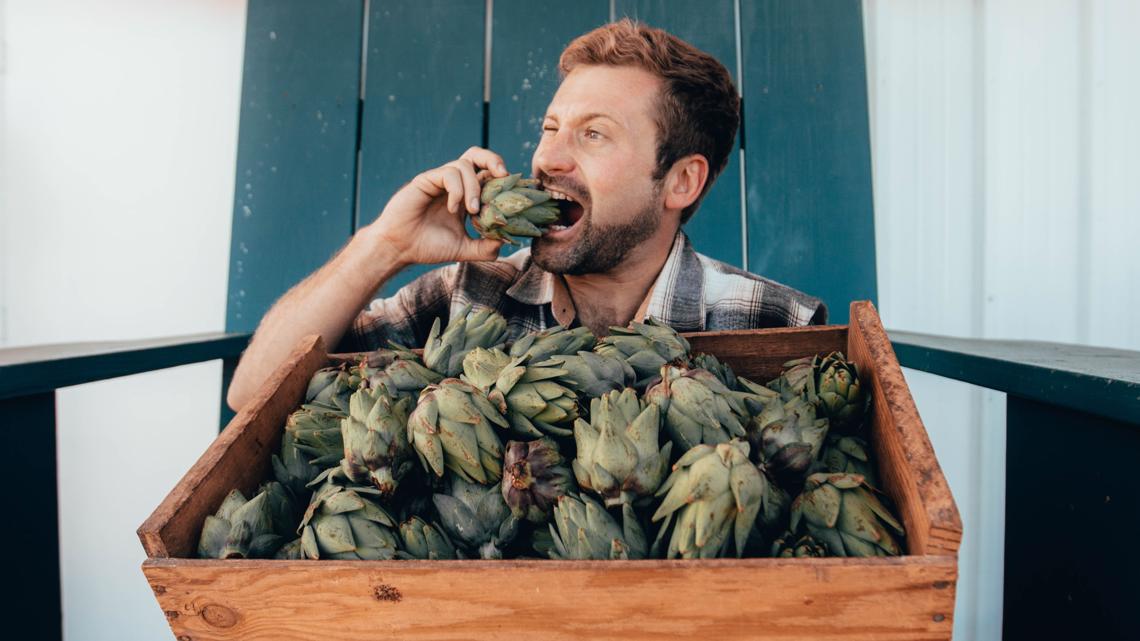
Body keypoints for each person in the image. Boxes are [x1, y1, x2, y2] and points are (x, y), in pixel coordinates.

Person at [227, 19, 825, 412]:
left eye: (594, 134)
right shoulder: (467, 296)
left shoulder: (780, 324)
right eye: (550, 128)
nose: (548, 159)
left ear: (680, 180)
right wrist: (386, 243)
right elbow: (251, 396)